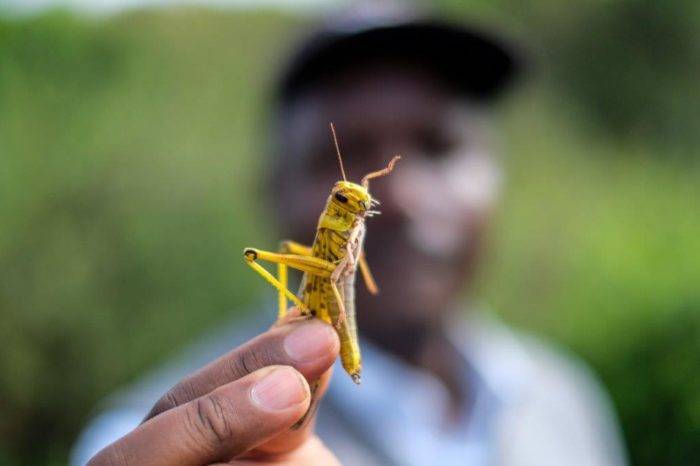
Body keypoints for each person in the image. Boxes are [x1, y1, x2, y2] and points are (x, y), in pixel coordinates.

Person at [75, 7, 628, 466]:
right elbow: (332, 259)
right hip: (316, 296)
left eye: (439, 146)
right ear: (271, 190)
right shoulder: (142, 430)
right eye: (339, 154)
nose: (406, 196)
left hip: (340, 295)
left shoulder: (565, 400)